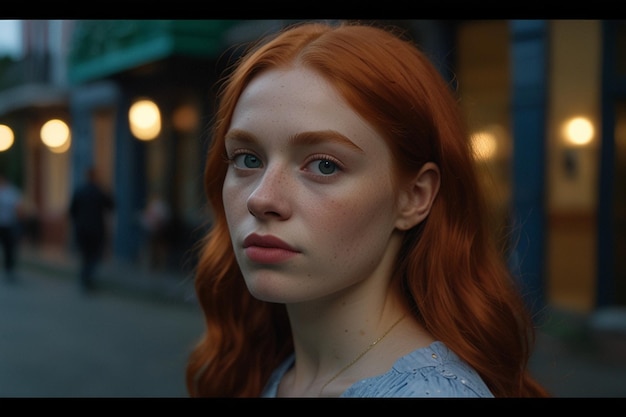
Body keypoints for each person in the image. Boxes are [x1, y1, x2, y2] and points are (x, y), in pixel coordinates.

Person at [185, 21, 549, 397]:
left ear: (415, 197)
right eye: (246, 159)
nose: (261, 198)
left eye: (324, 165)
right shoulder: (276, 375)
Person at [69, 167, 115, 292]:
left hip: (82, 229)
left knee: (86, 255)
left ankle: (85, 277)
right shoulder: (99, 192)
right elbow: (111, 205)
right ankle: (87, 278)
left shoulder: (80, 191)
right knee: (93, 255)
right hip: (96, 229)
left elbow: (72, 211)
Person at [0, 173, 24, 282]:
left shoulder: (12, 192)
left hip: (9, 225)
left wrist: (19, 222)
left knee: (9, 248)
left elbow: (18, 208)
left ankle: (9, 269)